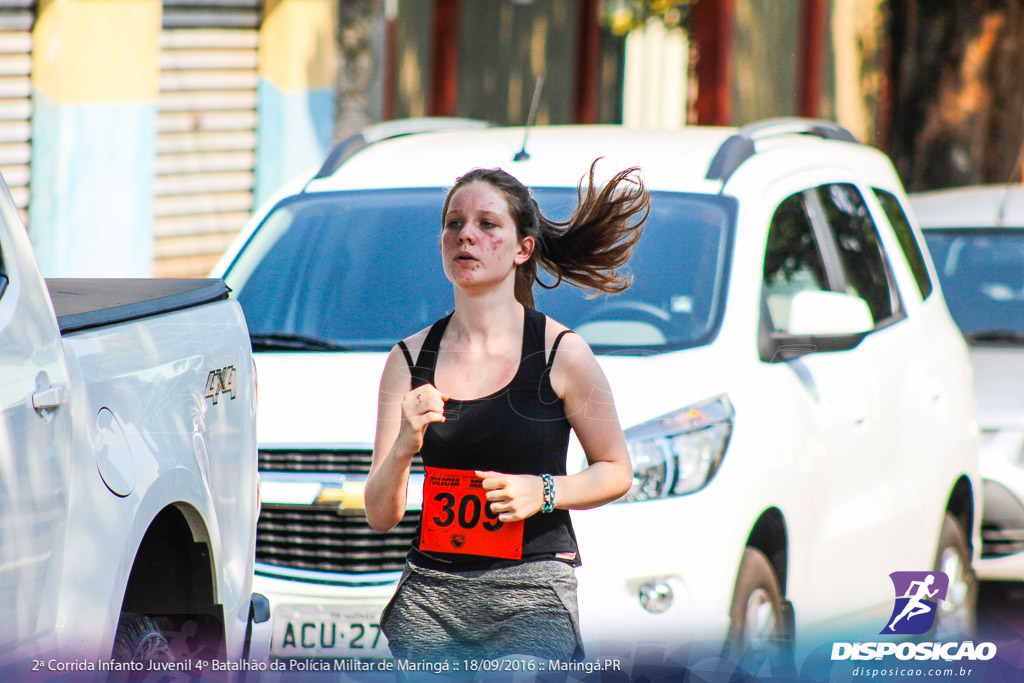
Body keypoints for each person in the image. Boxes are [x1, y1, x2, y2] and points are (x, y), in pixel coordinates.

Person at [366, 159, 650, 664]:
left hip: (531, 592)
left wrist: (541, 492)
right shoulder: (408, 360)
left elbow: (616, 470)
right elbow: (380, 514)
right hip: (433, 593)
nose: (465, 236)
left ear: (523, 249)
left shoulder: (563, 353)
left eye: (487, 224)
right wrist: (405, 448)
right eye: (454, 223)